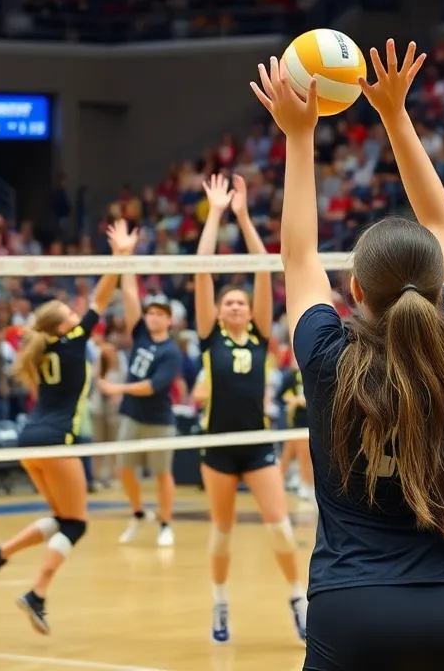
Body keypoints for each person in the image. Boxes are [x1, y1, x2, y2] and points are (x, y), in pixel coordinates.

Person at [250, 40, 444, 670]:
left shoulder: (327, 358)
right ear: (439, 291)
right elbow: (442, 223)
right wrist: (396, 114)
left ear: (353, 291)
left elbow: (296, 254)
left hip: (355, 607)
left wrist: (300, 136)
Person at [0, 219, 131, 634]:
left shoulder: (40, 349)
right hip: (56, 441)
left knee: (62, 517)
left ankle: (0, 553)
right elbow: (101, 298)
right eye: (71, 314)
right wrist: (119, 258)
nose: (78, 316)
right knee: (76, 524)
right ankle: (37, 592)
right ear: (63, 326)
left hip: (29, 440)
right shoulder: (72, 341)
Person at [190, 172, 307, 645]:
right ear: (219, 311)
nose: (237, 306)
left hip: (256, 443)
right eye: (229, 302)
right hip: (217, 445)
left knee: (279, 527)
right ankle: (219, 604)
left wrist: (242, 214)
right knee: (221, 531)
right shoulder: (209, 335)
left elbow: (264, 266)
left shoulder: (259, 334)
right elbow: (201, 272)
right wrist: (215, 213)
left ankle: (298, 600)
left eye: (241, 302)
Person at [98, 273, 182, 547]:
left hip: (159, 420)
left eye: (159, 313)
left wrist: (118, 389)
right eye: (150, 313)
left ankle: (166, 523)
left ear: (169, 319)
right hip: (132, 415)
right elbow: (131, 298)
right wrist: (127, 263)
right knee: (124, 469)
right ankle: (138, 513)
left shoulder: (171, 352)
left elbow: (152, 386)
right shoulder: (141, 335)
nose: (153, 317)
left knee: (162, 474)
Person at [279, 350, 313, 502]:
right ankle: (306, 486)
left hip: (312, 419)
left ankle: (281, 482)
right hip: (297, 420)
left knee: (290, 453)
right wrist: (294, 401)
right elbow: (280, 396)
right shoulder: (290, 376)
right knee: (301, 453)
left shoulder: (314, 371)